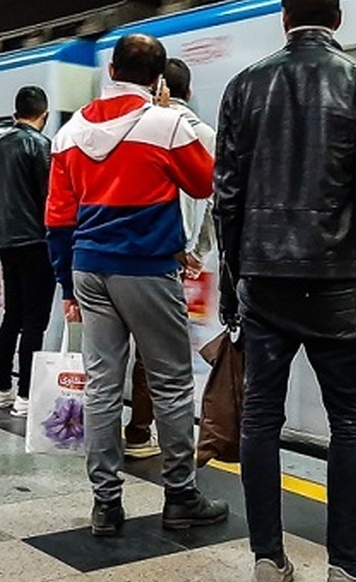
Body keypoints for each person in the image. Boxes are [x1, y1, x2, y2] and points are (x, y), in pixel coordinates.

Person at [214, 0, 356, 582]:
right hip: (337, 279)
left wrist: (232, 282)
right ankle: (345, 573)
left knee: (260, 419)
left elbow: (225, 198)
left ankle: (268, 564)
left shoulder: (244, 86)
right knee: (351, 422)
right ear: (338, 18)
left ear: (285, 20)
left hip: (263, 280)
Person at [47, 33, 229, 536]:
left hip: (88, 268)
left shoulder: (69, 133)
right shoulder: (166, 124)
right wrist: (177, 118)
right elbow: (205, 182)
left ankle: (105, 503)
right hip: (146, 269)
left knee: (103, 386)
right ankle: (179, 496)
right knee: (171, 383)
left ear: (110, 71)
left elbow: (58, 217)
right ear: (159, 79)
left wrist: (65, 283)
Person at [124, 58, 217, 461]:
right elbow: (214, 201)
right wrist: (197, 252)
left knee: (126, 351)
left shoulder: (134, 128)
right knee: (164, 354)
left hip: (128, 251)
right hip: (171, 257)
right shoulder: (206, 135)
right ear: (189, 92)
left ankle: (133, 431)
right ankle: (149, 434)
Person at [0, 85, 55, 419]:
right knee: (33, 322)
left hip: (7, 243)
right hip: (36, 243)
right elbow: (50, 197)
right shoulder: (40, 146)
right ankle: (26, 395)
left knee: (11, 316)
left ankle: (1, 389)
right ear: (43, 114)